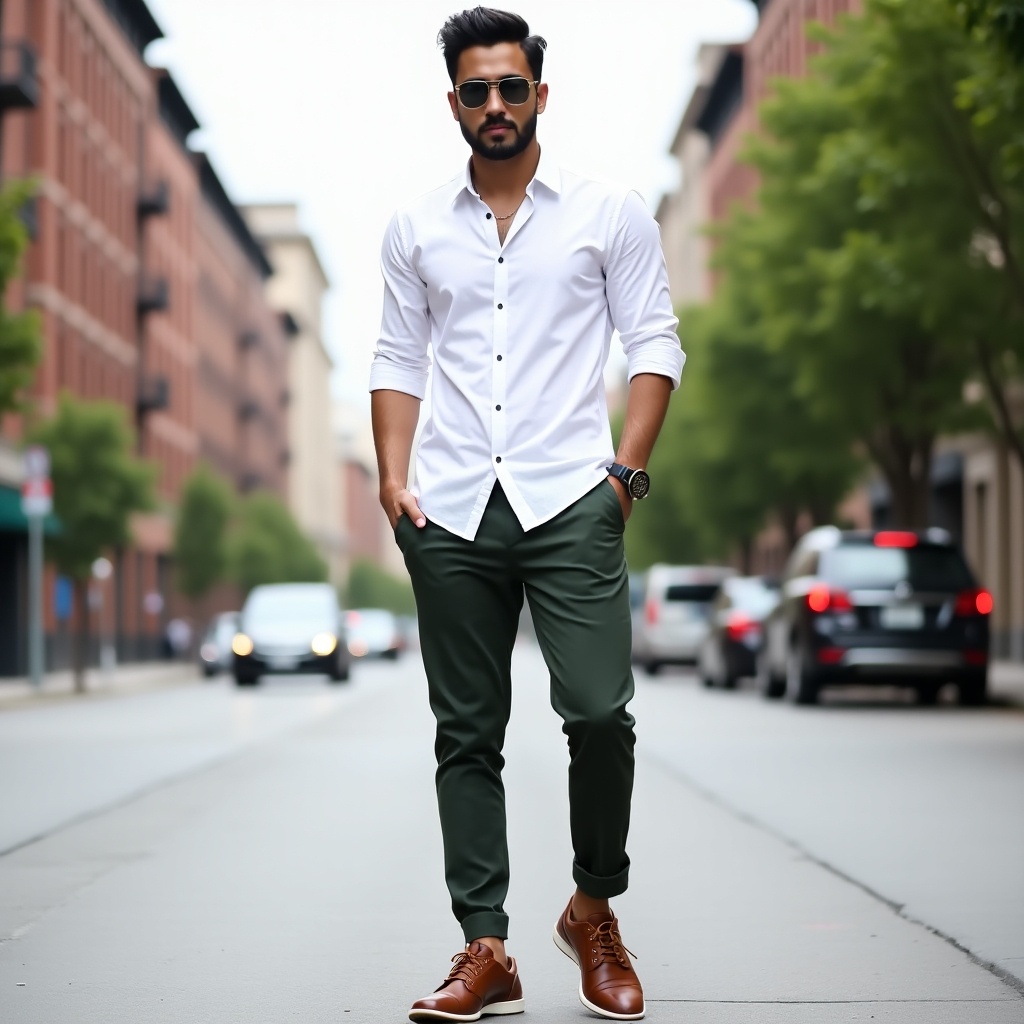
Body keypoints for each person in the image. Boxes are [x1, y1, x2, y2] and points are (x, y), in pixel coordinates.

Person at [369, 8, 684, 1021]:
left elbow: (655, 344)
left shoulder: (608, 212)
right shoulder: (414, 226)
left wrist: (623, 479)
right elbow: (393, 357)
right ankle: (484, 946)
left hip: (569, 498)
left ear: (538, 96)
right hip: (452, 507)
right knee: (467, 732)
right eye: (475, 89)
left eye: (511, 87)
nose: (494, 105)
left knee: (598, 711)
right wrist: (390, 479)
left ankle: (592, 909)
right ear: (454, 101)